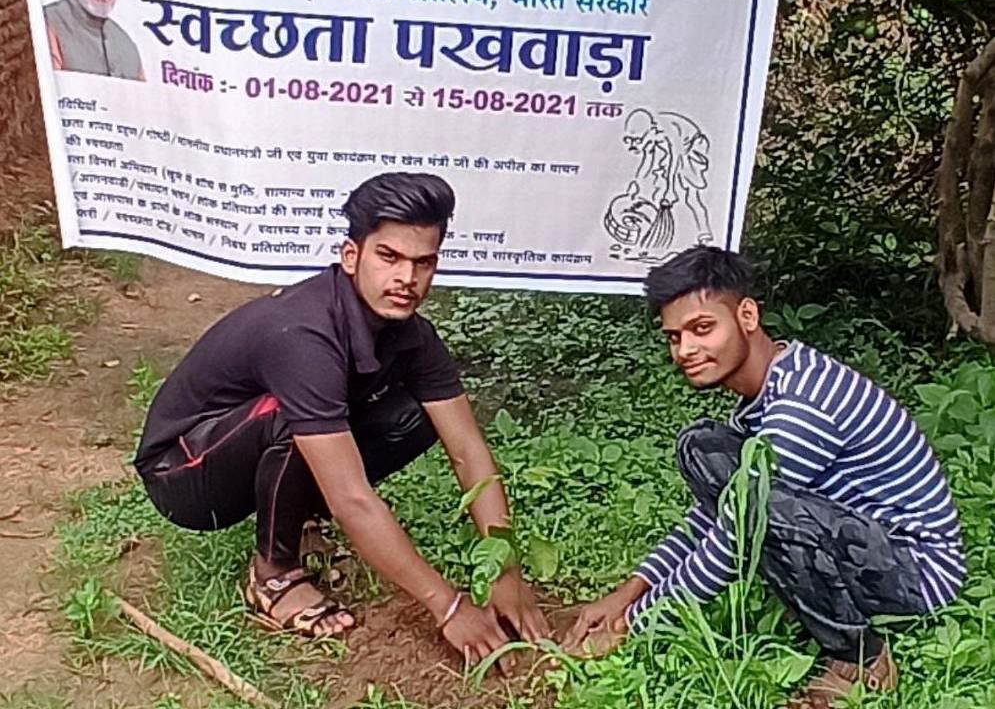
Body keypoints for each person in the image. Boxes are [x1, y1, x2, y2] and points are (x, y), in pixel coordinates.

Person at [134, 173, 548, 662]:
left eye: (423, 262)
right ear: (352, 257)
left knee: (416, 415)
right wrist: (449, 606)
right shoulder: (305, 334)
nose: (407, 278)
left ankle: (300, 515)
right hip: (184, 473)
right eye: (389, 257)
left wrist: (504, 569)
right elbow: (352, 498)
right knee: (293, 420)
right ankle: (273, 575)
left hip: (249, 444)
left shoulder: (414, 336)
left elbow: (468, 450)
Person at [566, 246, 964, 708]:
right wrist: (629, 593)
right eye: (674, 337)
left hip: (916, 573)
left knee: (760, 505)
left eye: (702, 328)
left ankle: (861, 659)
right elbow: (711, 517)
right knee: (703, 447)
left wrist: (635, 625)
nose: (685, 350)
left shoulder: (803, 402)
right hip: (865, 543)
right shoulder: (765, 396)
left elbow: (735, 535)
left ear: (747, 316)